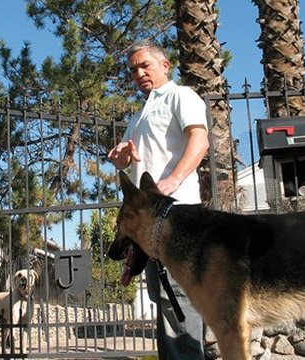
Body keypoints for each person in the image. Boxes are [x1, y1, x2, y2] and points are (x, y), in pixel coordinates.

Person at [108, 41, 209, 360]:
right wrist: (122, 157)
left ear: (165, 65)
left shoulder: (181, 96)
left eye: (145, 65)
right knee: (162, 298)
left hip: (177, 214)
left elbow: (200, 139)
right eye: (133, 69)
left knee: (178, 299)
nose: (139, 73)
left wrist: (173, 180)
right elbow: (131, 162)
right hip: (150, 222)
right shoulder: (139, 115)